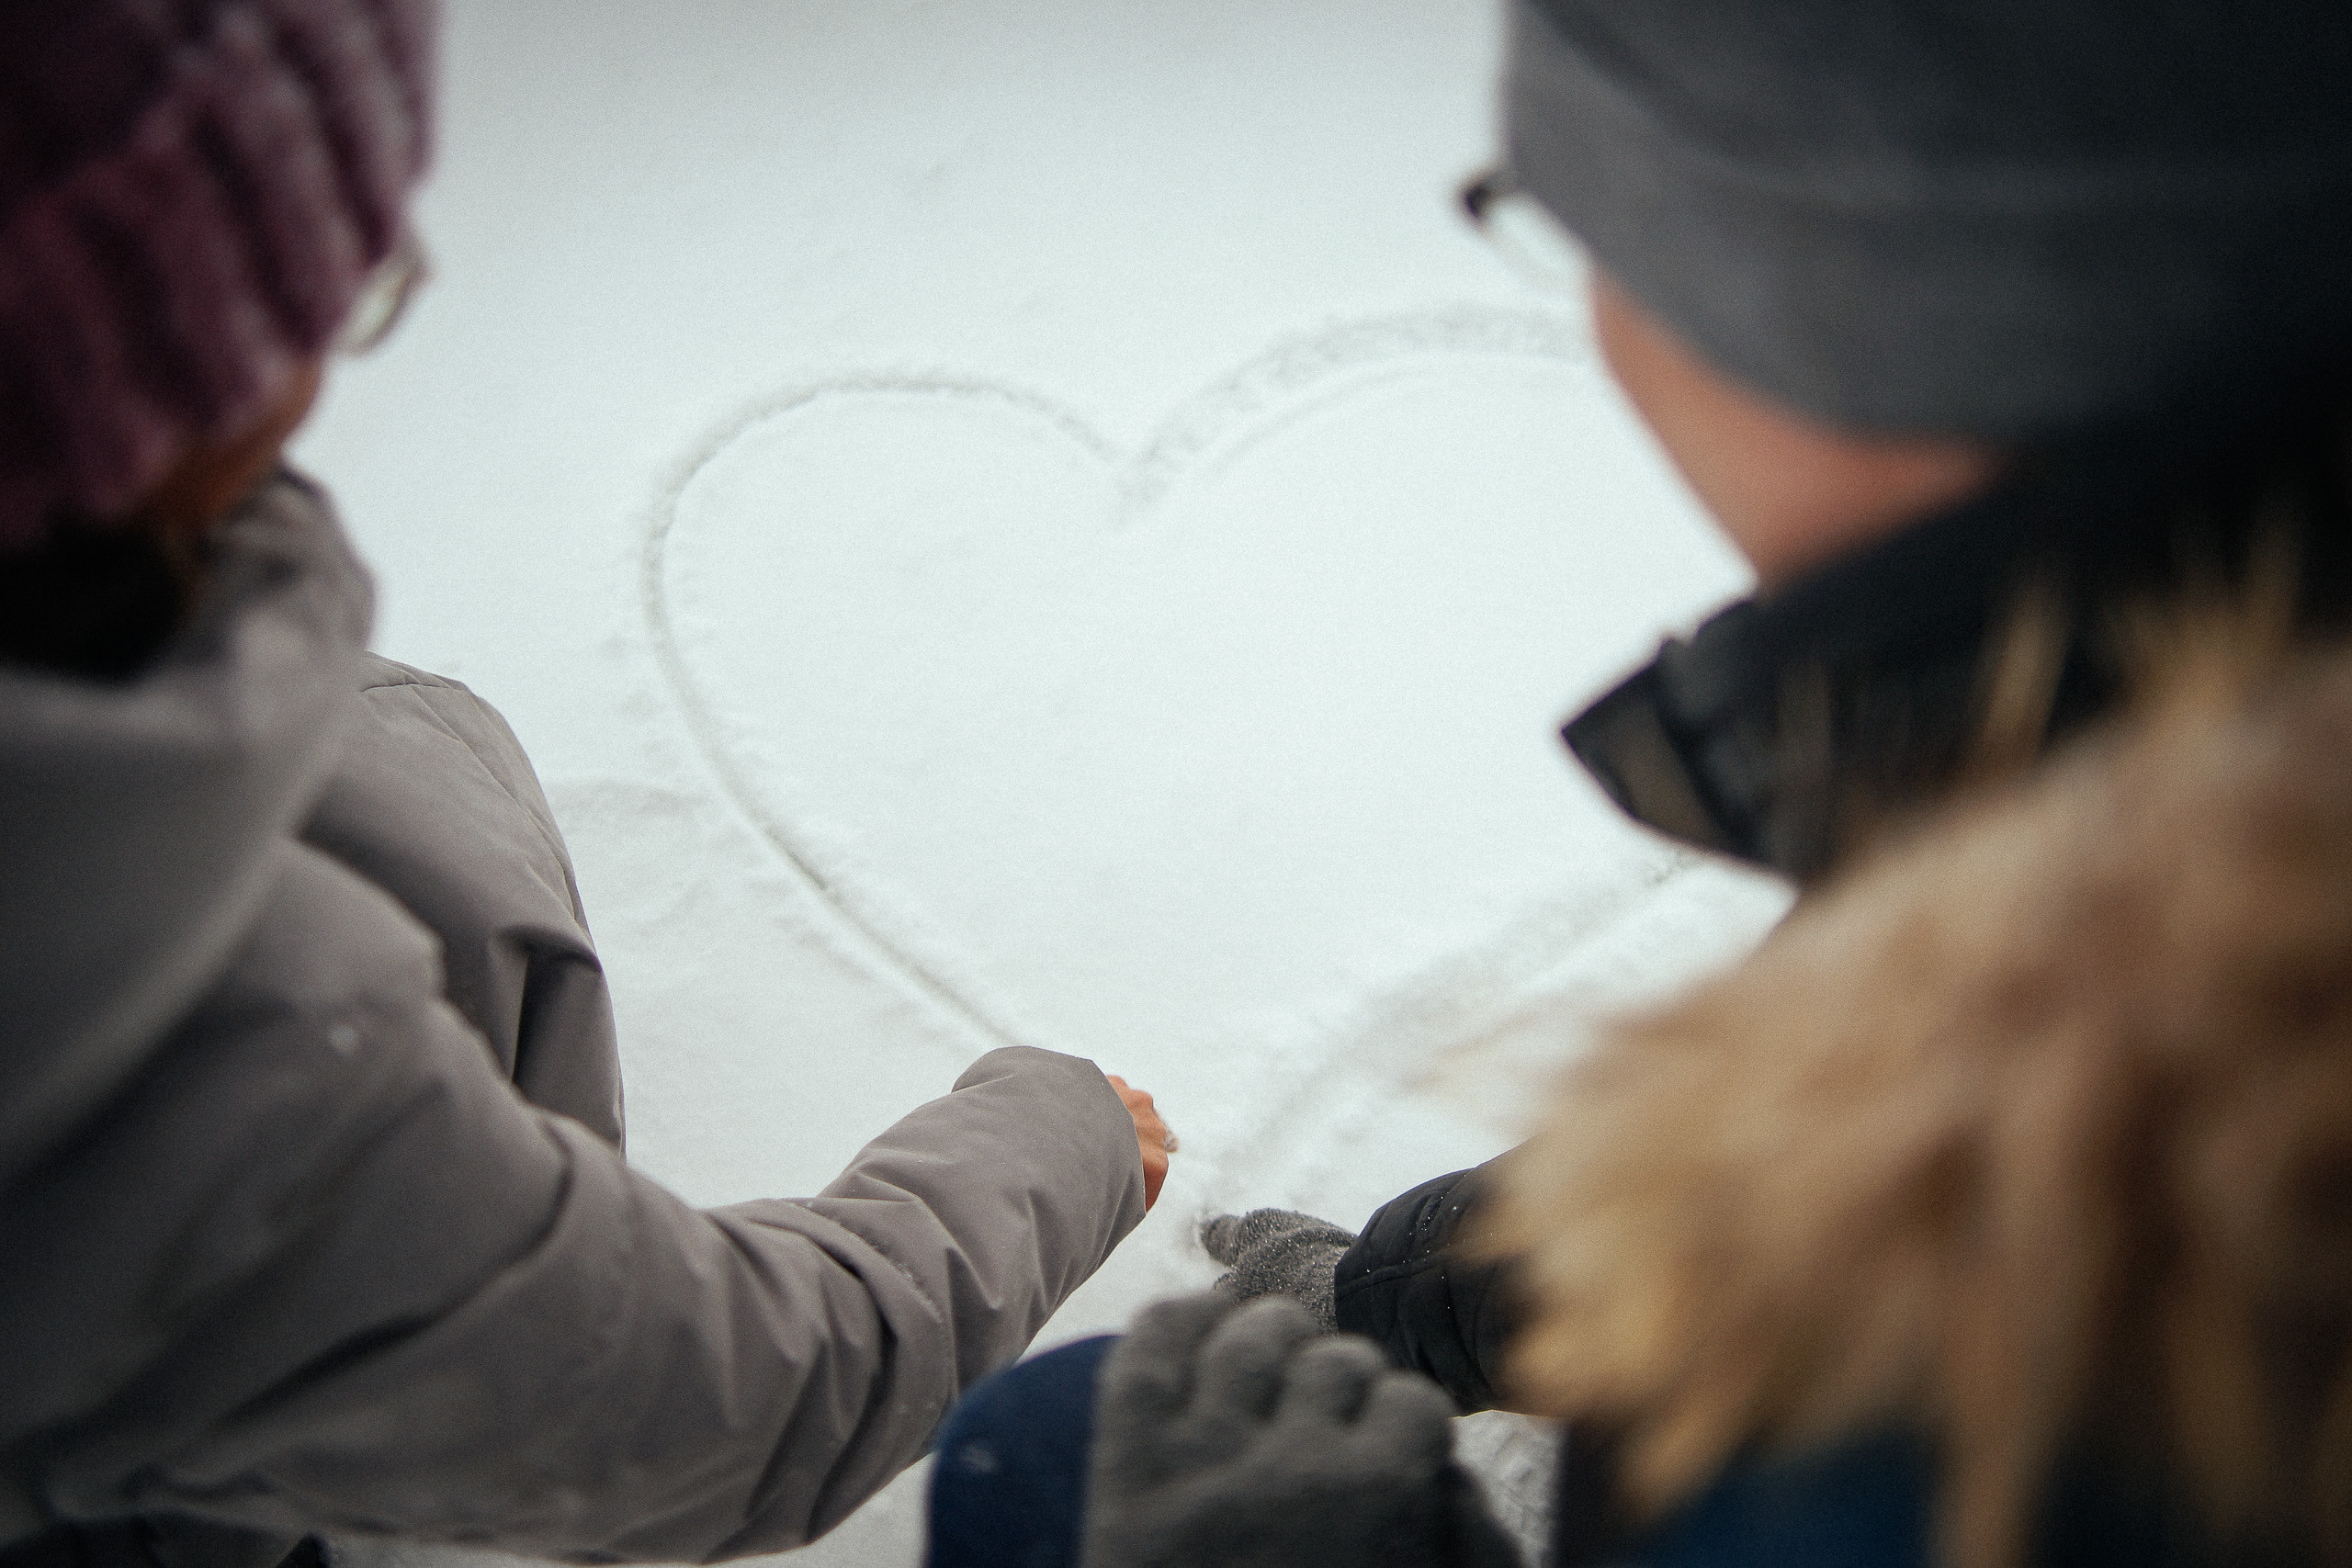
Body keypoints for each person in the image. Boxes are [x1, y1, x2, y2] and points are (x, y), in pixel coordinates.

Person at [922, 0, 2352, 1564]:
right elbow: (1836, 1158)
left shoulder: (2019, 1303)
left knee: (1049, 1459)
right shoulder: (2152, 792)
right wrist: (1396, 1302)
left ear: (1847, 312)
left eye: (1588, 230)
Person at [0, 6, 1172, 1568]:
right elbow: (742, 1396)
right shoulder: (191, 1087)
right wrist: (1065, 1134)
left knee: (398, 769)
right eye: (327, 300)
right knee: (412, 792)